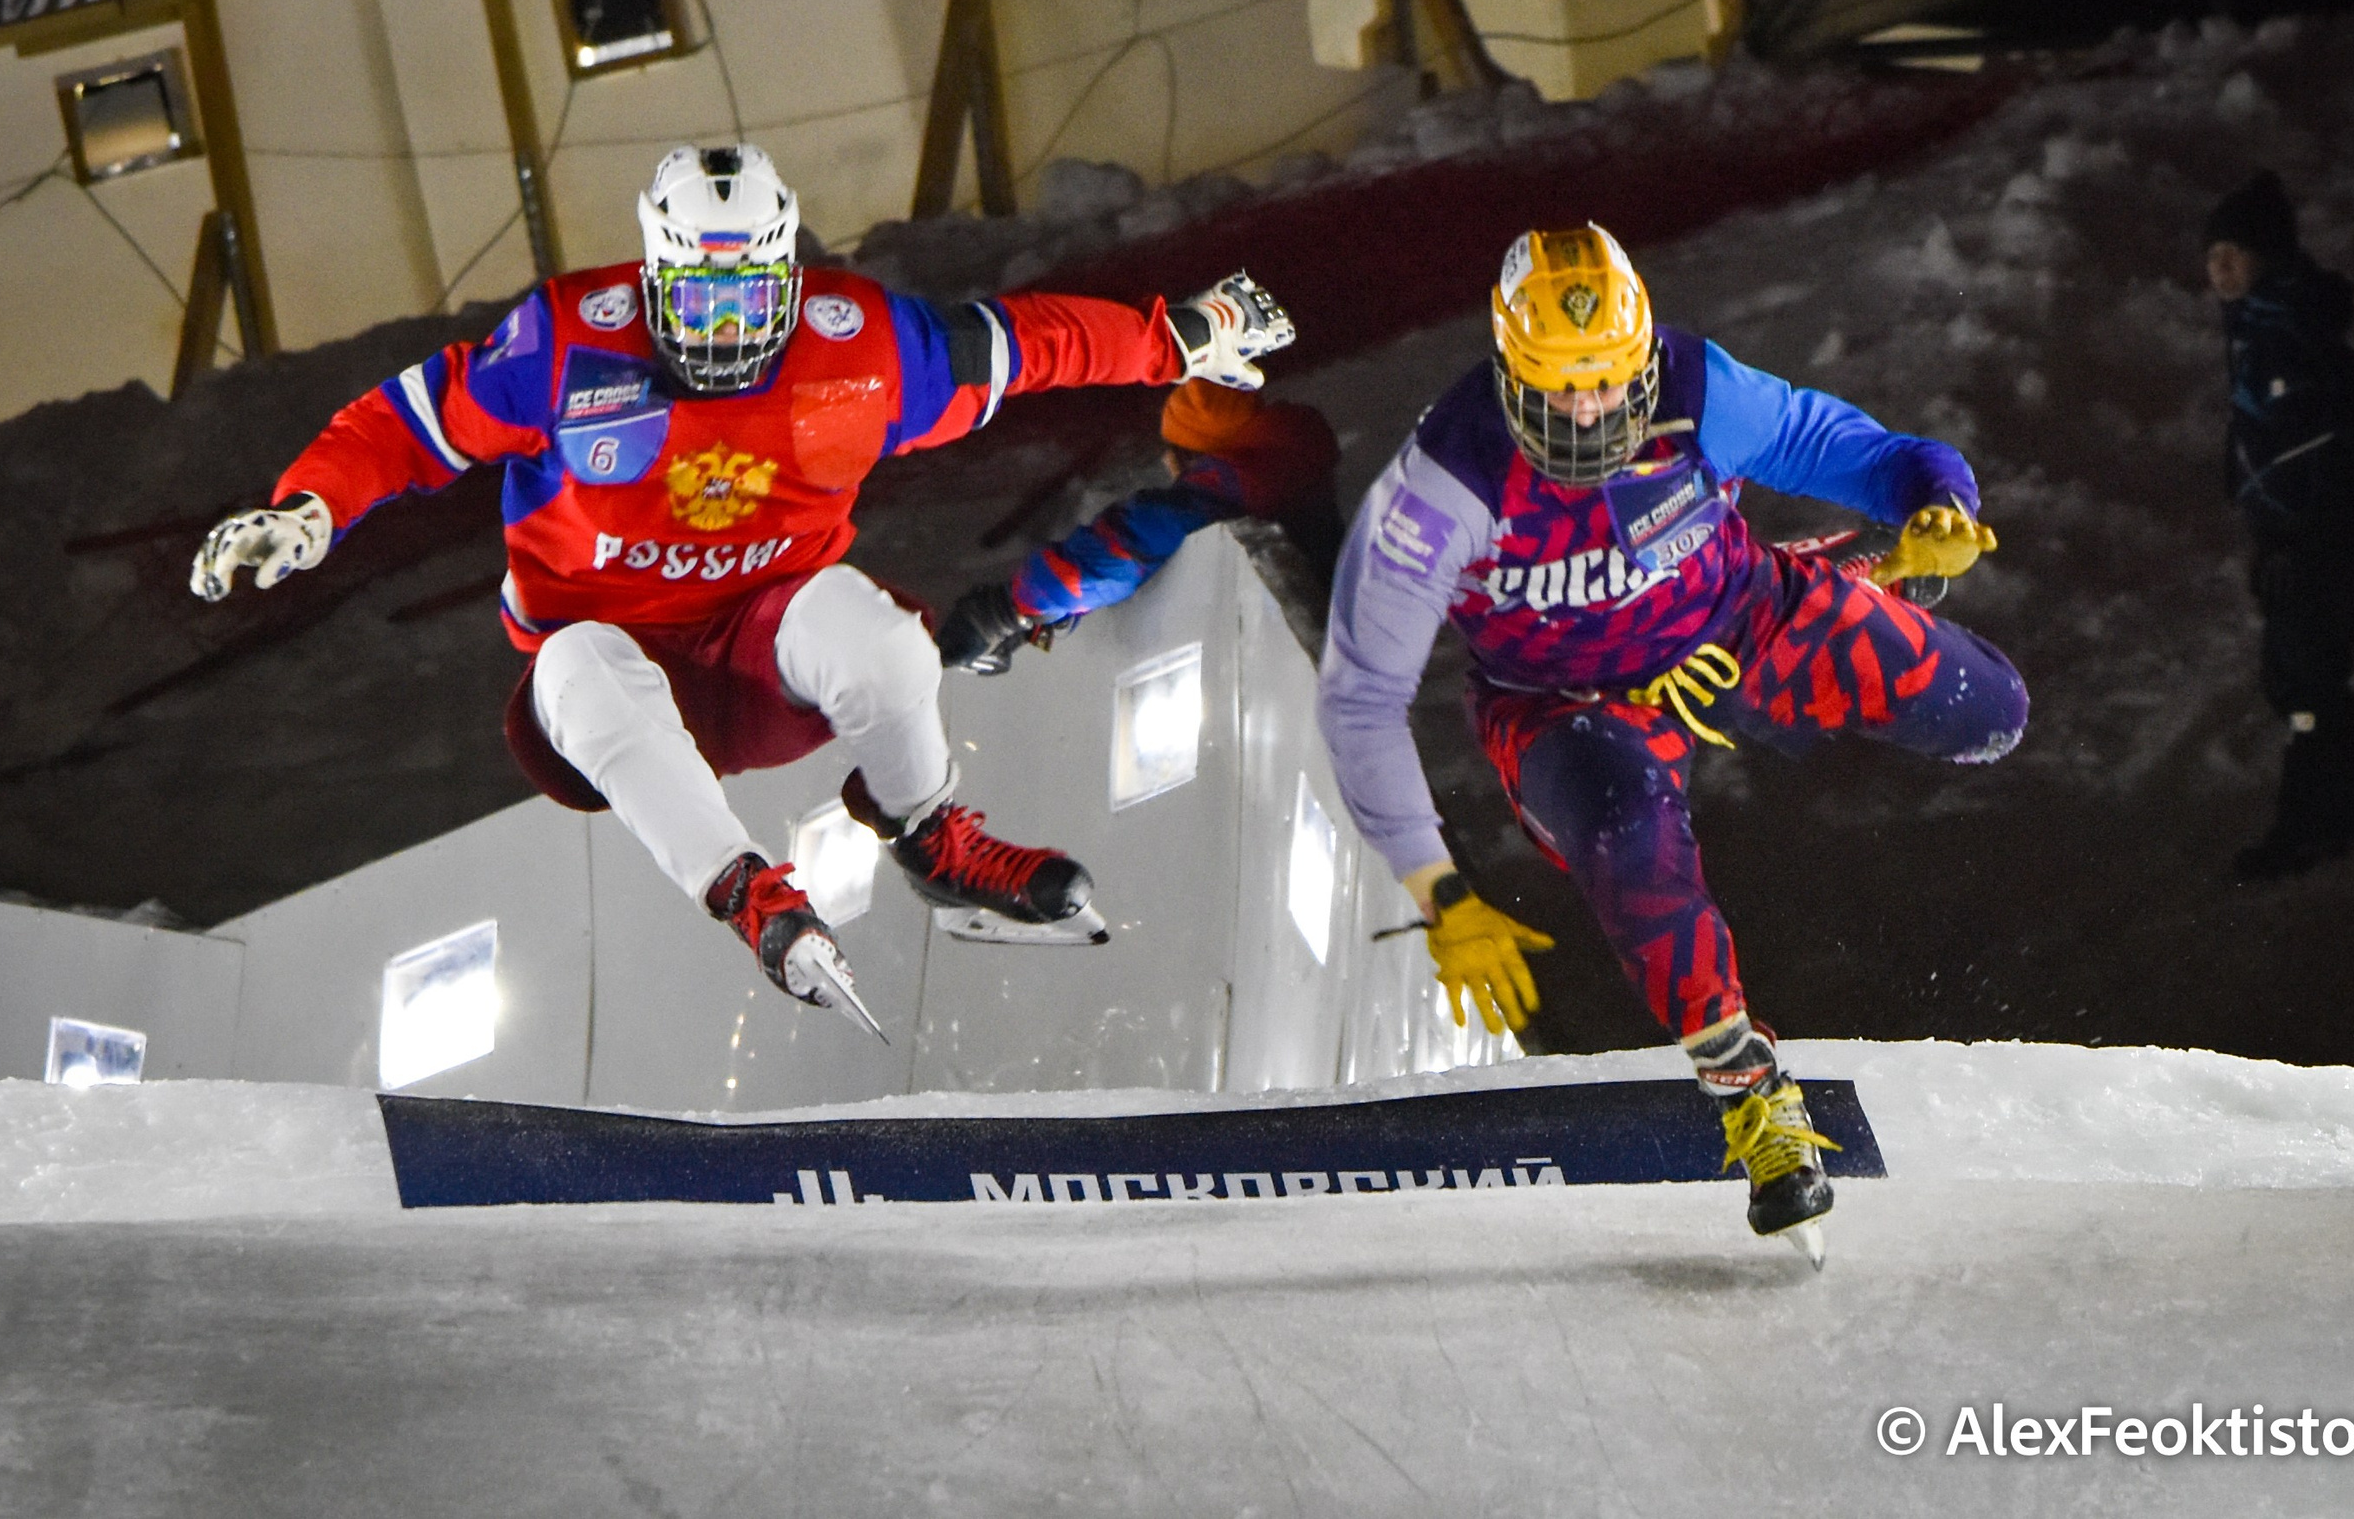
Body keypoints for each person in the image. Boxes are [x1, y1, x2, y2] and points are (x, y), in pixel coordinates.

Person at [191, 143, 1292, 1038]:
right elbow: (405, 422)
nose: (722, 327)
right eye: (697, 297)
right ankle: (749, 895)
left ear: (788, 274)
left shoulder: (855, 348)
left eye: (746, 295)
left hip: (768, 664)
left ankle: (925, 834)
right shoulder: (567, 344)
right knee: (572, 657)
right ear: (651, 277)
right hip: (606, 689)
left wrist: (1178, 337)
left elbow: (1017, 347)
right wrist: (310, 509)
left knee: (883, 642)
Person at [1316, 225, 2026, 1261]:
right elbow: (1361, 694)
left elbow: (1857, 450)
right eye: (1557, 389)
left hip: (1732, 620)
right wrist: (1439, 891)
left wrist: (1938, 503)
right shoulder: (1444, 485)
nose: (1589, 411)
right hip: (1566, 704)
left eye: (1608, 382)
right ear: (1509, 372)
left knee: (1990, 716)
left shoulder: (1702, 389)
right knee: (1627, 842)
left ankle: (1850, 581)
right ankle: (1747, 1091)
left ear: (1644, 358)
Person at [2204, 171, 2354, 880]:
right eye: (2213, 254)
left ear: (2272, 257)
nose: (2220, 267)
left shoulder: (2289, 332)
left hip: (2326, 537)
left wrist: (2299, 535)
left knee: (2305, 680)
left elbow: (2315, 448)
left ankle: (2312, 819)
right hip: (2298, 538)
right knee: (2299, 672)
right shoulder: (2262, 326)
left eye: (2237, 251)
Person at [935, 370, 1340, 674]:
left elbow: (1124, 549)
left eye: (1173, 453)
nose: (1168, 466)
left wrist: (1009, 609)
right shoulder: (1290, 484)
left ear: (1195, 455)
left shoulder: (1227, 491)